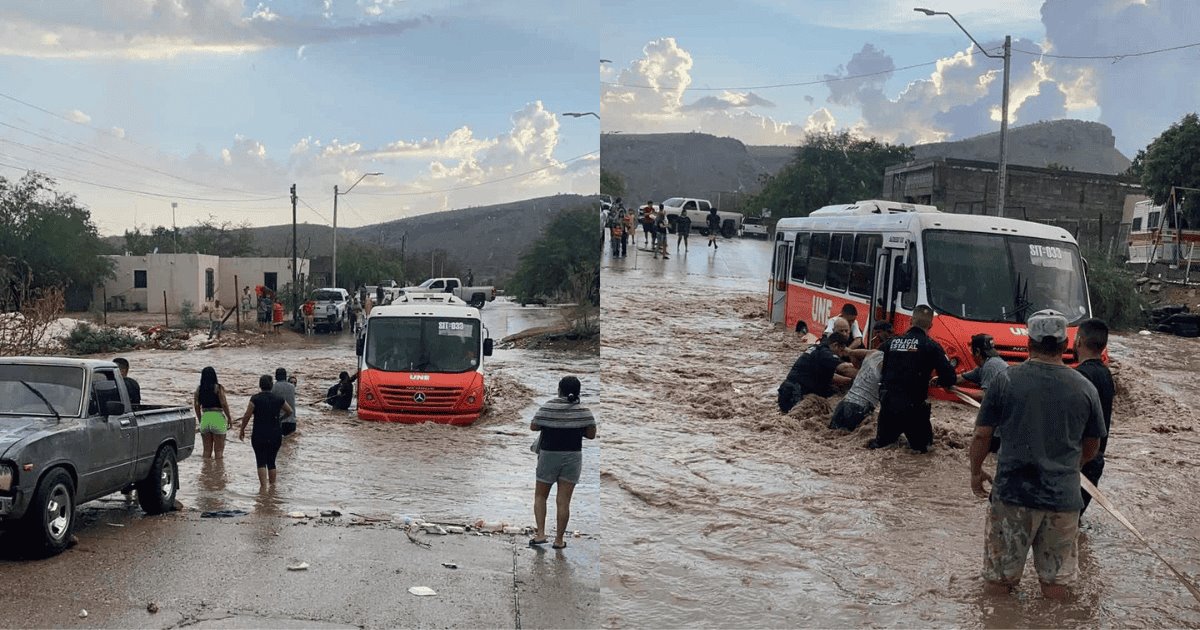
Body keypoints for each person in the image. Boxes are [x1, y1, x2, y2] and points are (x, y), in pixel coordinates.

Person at [969, 309, 1106, 599]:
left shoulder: (1005, 381)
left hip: (1011, 495)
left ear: (1029, 343)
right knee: (1057, 585)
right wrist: (1070, 467)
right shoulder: (1085, 388)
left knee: (999, 581)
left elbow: (982, 434)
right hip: (1063, 498)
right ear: (1065, 345)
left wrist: (975, 472)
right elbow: (1093, 445)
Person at [869, 305, 956, 453]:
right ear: (930, 325)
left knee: (881, 448)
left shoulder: (890, 343)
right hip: (914, 410)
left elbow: (873, 367)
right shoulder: (932, 346)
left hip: (888, 407)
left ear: (910, 321)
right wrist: (937, 381)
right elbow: (950, 378)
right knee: (924, 453)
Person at [529, 376, 597, 550]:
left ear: (559, 389)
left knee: (540, 496)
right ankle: (559, 541)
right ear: (579, 391)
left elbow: (534, 426)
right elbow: (591, 435)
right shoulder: (584, 411)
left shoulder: (548, 406)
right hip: (573, 456)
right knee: (564, 501)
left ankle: (541, 534)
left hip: (548, 455)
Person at [1074, 318, 1114, 519]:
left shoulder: (1079, 377)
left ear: (1079, 341)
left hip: (1077, 463)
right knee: (1072, 524)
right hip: (1095, 460)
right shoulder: (1106, 375)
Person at [829, 323, 894, 431]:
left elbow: (853, 353)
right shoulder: (888, 363)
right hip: (860, 409)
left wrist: (849, 352)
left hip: (843, 404)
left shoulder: (872, 353)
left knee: (833, 433)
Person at [237, 374, 293, 489]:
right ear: (271, 385)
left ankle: (263, 488)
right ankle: (272, 488)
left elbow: (247, 415)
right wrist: (280, 419)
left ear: (260, 385)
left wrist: (242, 429)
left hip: (259, 433)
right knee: (272, 462)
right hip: (275, 433)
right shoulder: (278, 399)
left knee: (261, 460)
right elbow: (289, 411)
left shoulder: (255, 399)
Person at [777, 332, 852, 414]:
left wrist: (849, 381)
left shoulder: (817, 348)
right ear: (835, 345)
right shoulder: (826, 354)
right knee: (795, 419)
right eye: (841, 351)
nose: (841, 355)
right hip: (795, 392)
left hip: (786, 390)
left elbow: (830, 376)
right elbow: (845, 369)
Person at [193, 366, 234, 459]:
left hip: (205, 418)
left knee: (206, 451)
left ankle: (206, 471)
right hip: (218, 418)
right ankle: (218, 472)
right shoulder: (218, 388)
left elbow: (196, 406)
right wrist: (229, 418)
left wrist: (200, 419)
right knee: (219, 451)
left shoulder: (199, 389)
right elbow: (224, 403)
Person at [955, 333, 1008, 402]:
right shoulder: (985, 365)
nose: (971, 354)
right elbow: (961, 378)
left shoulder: (990, 366)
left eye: (971, 351)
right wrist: (941, 380)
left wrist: (956, 390)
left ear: (977, 352)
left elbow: (984, 396)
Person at [273, 367, 298, 437]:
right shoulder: (292, 387)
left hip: (279, 421)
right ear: (285, 376)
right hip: (292, 421)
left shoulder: (273, 388)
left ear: (276, 376)